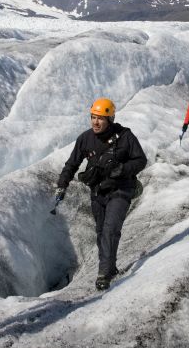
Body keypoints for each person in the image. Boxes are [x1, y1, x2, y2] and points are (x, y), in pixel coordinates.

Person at [55, 98, 147, 291]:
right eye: (93, 117)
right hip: (98, 191)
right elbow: (72, 164)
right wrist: (62, 184)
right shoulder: (85, 139)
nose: (95, 122)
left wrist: (122, 169)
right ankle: (111, 268)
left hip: (122, 189)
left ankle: (103, 273)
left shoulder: (125, 137)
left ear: (110, 119)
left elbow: (140, 160)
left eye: (100, 118)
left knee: (110, 229)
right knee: (100, 233)